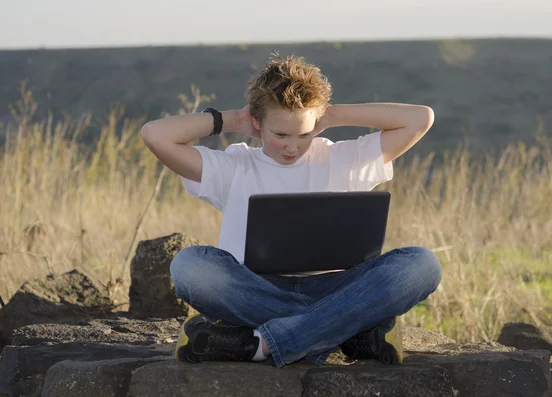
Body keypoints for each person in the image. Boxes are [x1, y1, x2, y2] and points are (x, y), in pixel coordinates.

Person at [141, 52, 442, 368]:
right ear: (257, 123)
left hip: (337, 287)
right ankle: (346, 333)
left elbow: (421, 119)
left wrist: (331, 114)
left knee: (422, 265)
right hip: (254, 289)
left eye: (305, 133)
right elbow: (155, 135)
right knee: (190, 266)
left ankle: (260, 345)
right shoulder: (234, 165)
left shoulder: (344, 158)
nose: (292, 146)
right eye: (280, 134)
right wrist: (231, 120)